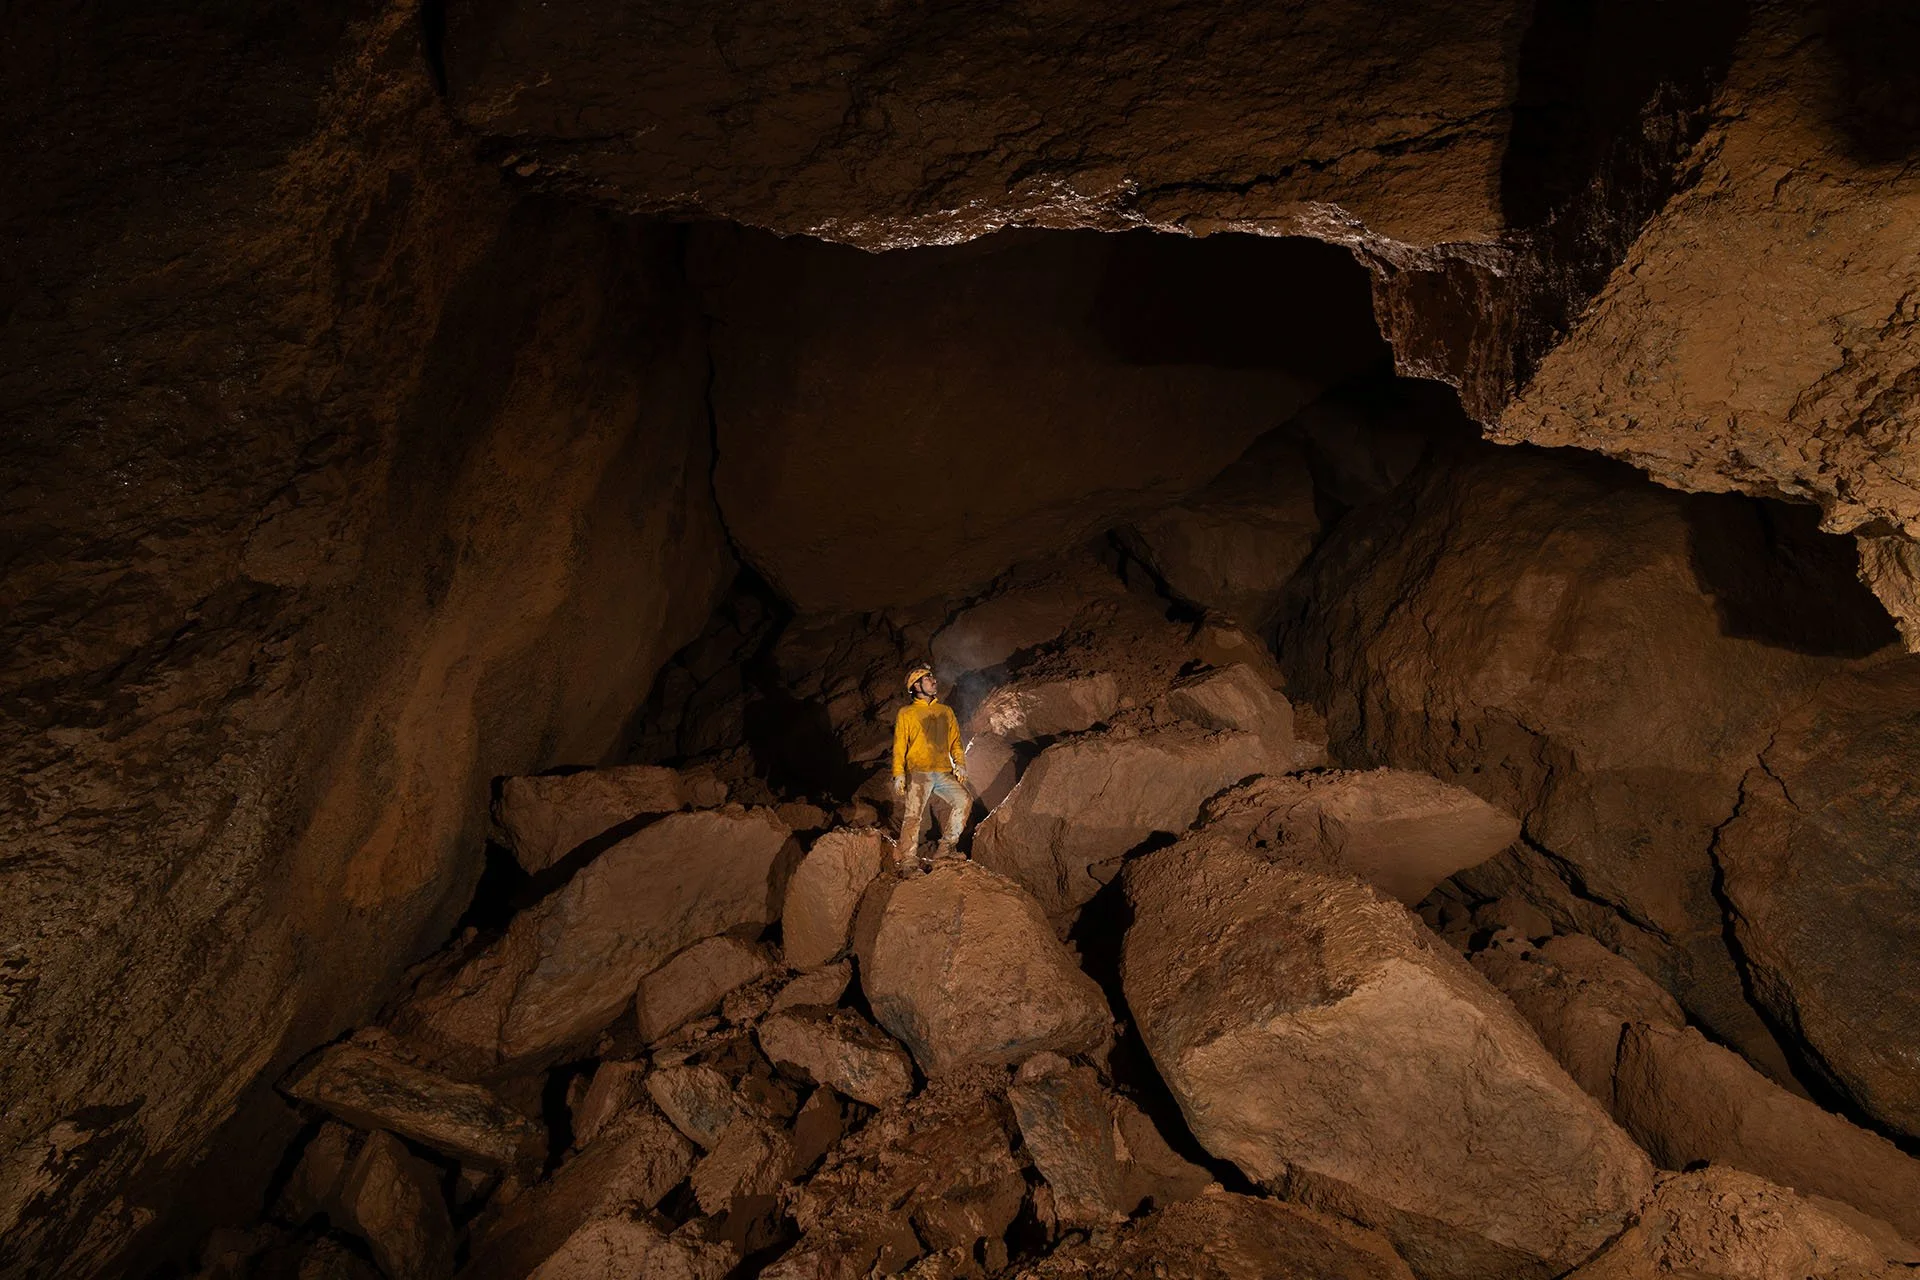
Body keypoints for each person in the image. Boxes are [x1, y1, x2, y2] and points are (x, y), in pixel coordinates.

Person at [891, 665, 970, 869]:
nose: (934, 681)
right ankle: (907, 860)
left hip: (943, 771)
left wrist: (959, 763)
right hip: (918, 772)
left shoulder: (945, 711)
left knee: (964, 801)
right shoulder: (907, 713)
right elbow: (900, 745)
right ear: (916, 686)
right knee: (913, 815)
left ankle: (945, 849)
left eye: (933, 677)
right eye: (928, 679)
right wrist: (898, 773)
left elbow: (955, 741)